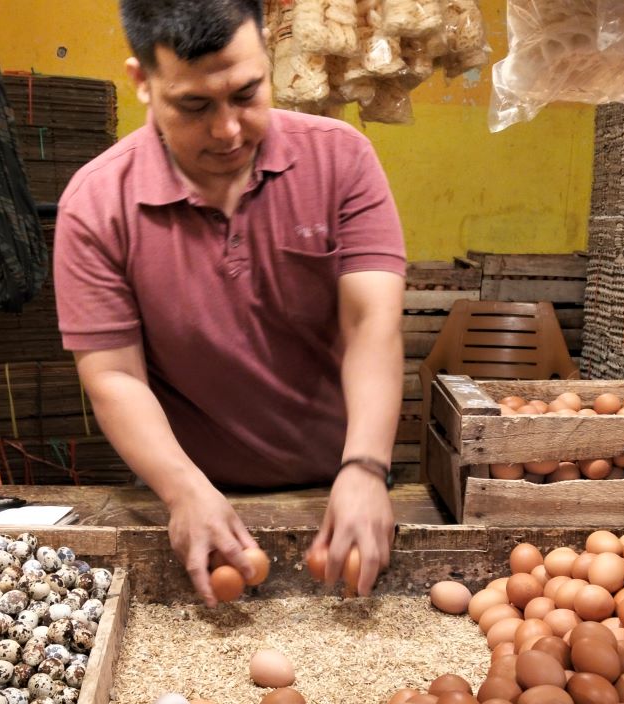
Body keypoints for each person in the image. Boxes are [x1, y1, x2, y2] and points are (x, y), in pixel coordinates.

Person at [53, 0, 407, 605]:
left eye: (247, 94)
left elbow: (371, 321)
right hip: (190, 490)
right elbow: (114, 375)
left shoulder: (341, 160)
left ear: (268, 57)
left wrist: (366, 466)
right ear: (142, 81)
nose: (228, 130)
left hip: (340, 480)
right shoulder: (97, 205)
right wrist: (182, 489)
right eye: (194, 105)